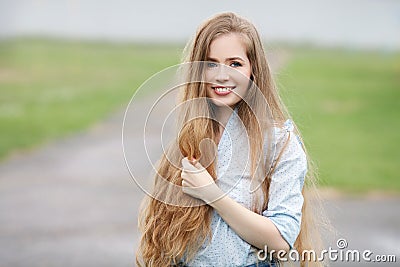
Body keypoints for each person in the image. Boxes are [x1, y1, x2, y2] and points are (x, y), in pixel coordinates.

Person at [136, 12, 326, 267]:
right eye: (211, 64)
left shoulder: (279, 143)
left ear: (253, 71)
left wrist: (211, 194)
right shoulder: (189, 138)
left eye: (235, 64)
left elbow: (281, 241)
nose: (222, 76)